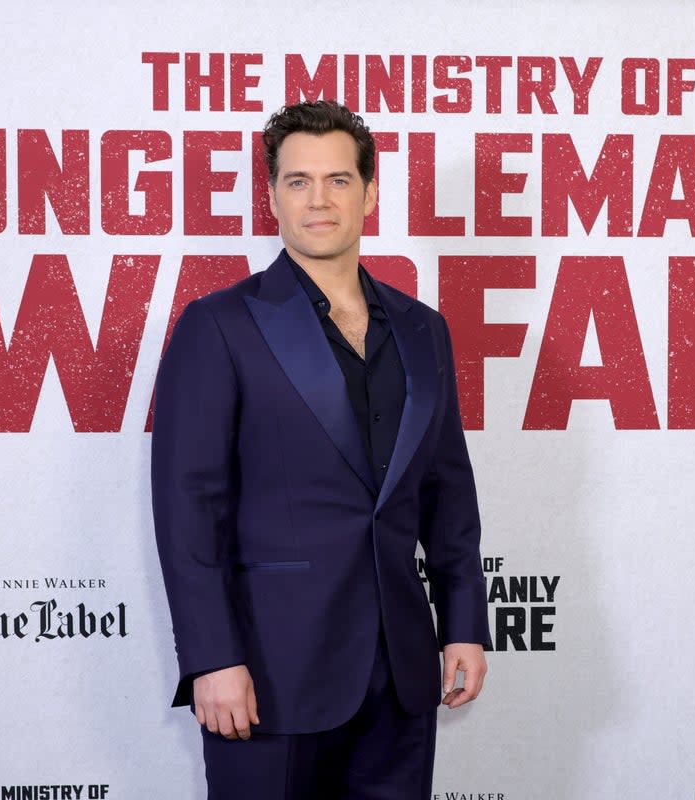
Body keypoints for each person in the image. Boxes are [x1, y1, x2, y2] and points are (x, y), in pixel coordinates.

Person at [151, 100, 490, 799]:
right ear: (271, 194)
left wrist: (462, 624)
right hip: (270, 672)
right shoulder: (219, 326)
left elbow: (446, 490)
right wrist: (213, 658)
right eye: (298, 181)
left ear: (370, 191)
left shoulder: (424, 330)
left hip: (401, 672)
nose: (319, 199)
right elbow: (188, 508)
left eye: (338, 180)